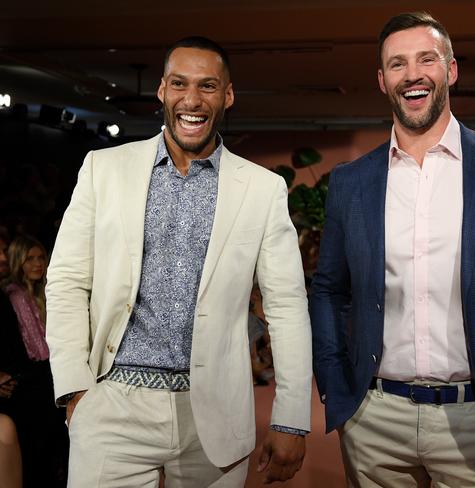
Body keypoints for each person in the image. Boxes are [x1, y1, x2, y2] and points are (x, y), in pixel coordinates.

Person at [310, 12, 475, 487]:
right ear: (382, 80)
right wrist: (334, 384)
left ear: (450, 70)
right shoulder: (351, 183)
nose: (412, 74)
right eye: (397, 64)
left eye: (426, 59)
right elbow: (329, 290)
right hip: (375, 421)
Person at [46, 36, 311, 487]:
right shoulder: (102, 168)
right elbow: (67, 280)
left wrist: (290, 419)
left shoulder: (262, 189)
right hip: (114, 406)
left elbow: (286, 305)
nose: (192, 99)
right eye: (179, 84)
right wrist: (75, 389)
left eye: (208, 86)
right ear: (162, 91)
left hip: (216, 412)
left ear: (227, 95)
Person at [1, 234, 69, 487]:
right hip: (33, 380)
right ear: (18, 261)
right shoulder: (16, 294)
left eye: (41, 258)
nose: (37, 264)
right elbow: (41, 350)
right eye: (30, 259)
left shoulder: (42, 291)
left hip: (44, 376)